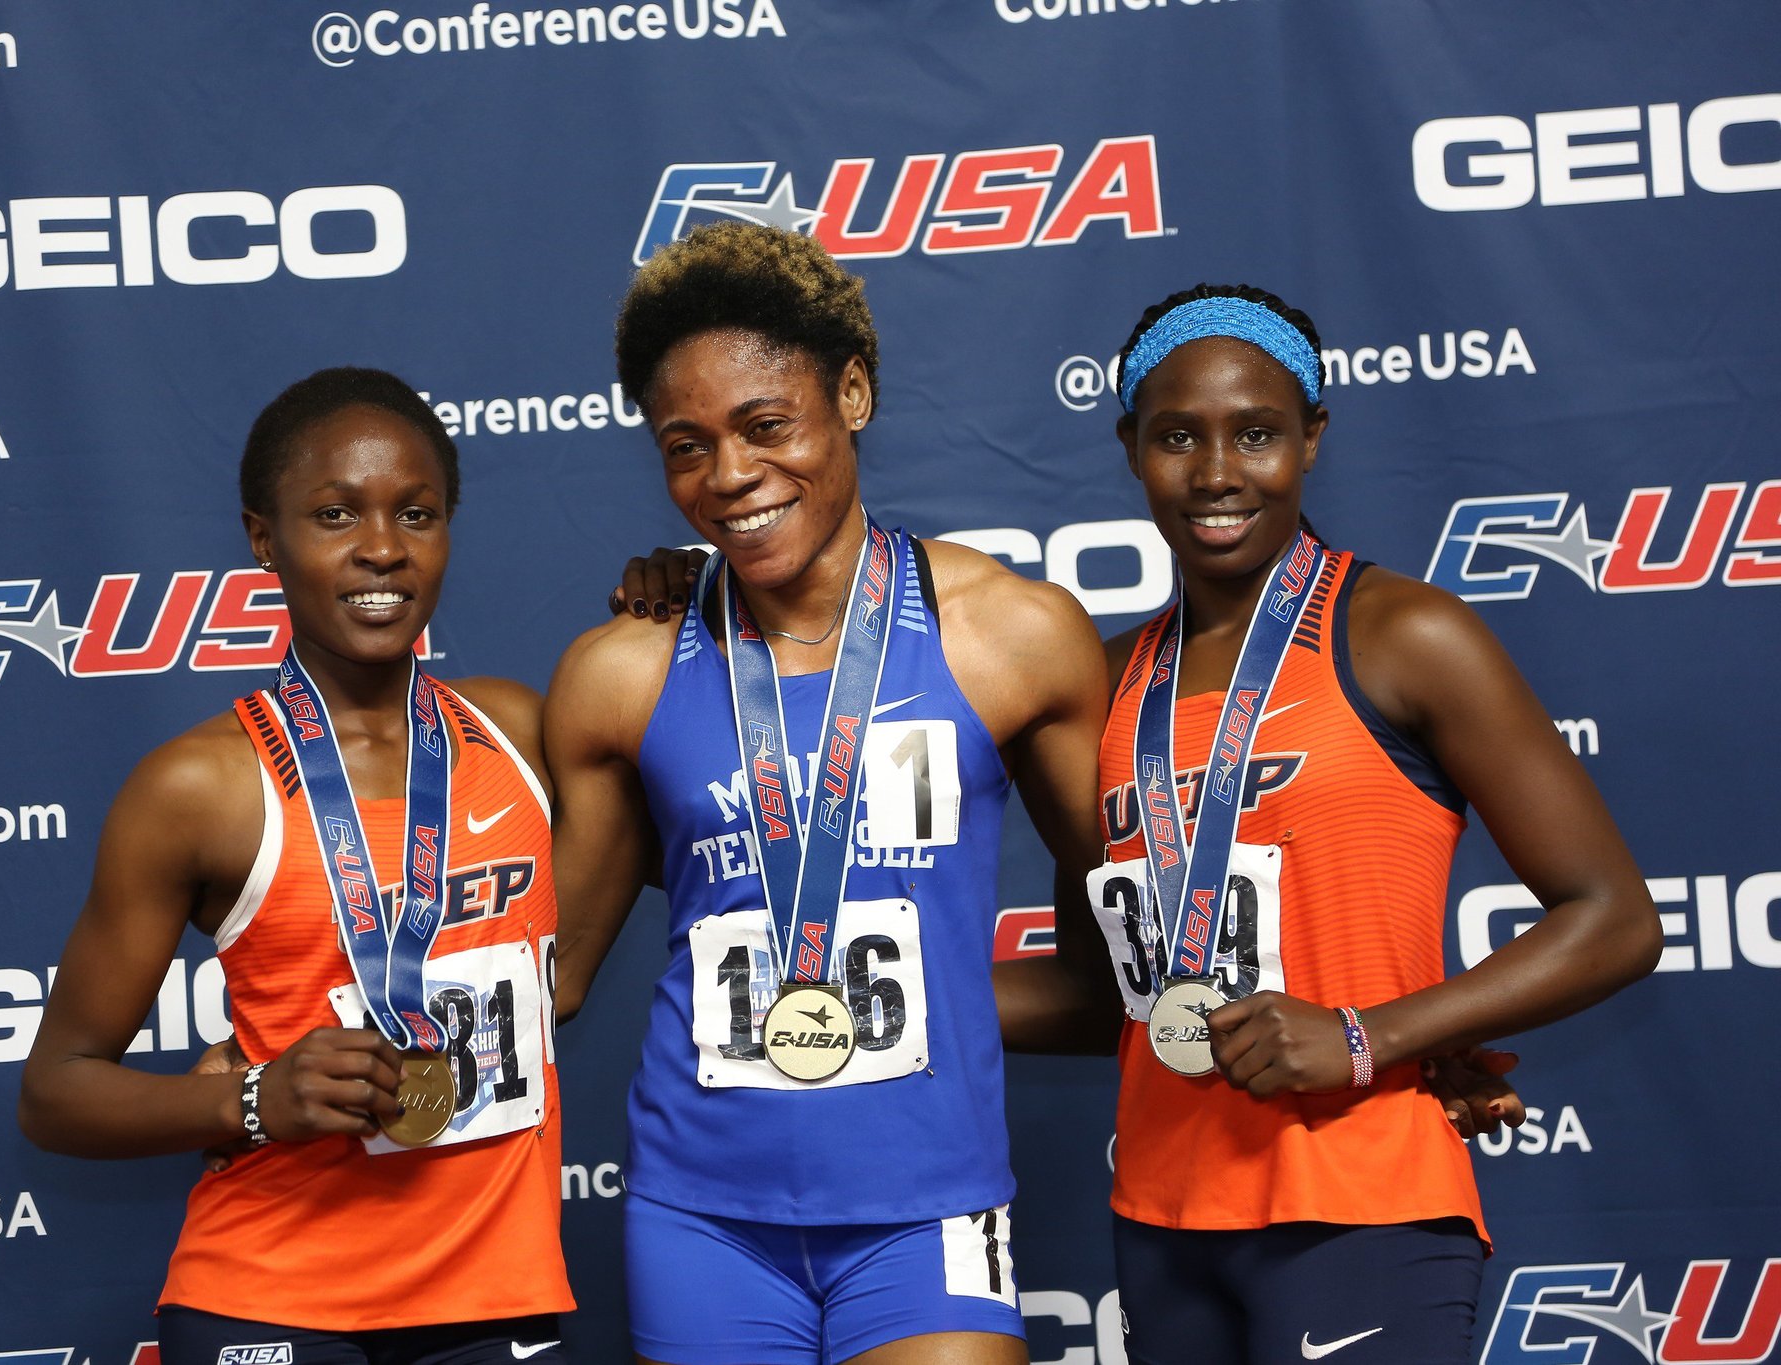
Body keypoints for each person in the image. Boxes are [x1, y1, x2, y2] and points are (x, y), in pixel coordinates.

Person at [545, 222, 1116, 1365]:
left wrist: (1380, 1039)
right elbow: (549, 975)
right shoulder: (621, 672)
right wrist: (296, 1049)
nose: (728, 477)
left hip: (932, 1203)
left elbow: (1140, 949)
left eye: (765, 427)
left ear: (850, 393)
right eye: (686, 447)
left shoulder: (1010, 637)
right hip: (699, 1210)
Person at [1088, 285, 1661, 1364]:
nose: (1216, 473)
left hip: (1359, 1199)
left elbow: (1615, 919)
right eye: (1177, 437)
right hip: (1161, 1213)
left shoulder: (1406, 634)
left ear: (1311, 437)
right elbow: (1110, 983)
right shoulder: (1108, 679)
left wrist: (1370, 1037)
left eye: (1257, 433)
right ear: (1132, 449)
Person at [18, 368, 573, 1365]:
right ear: (263, 538)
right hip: (269, 1300)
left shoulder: (521, 733)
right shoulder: (199, 786)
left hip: (494, 1298)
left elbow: (706, 786)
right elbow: (55, 1093)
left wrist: (686, 596)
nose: (382, 547)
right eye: (334, 513)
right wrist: (251, 1098)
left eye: (416, 512)